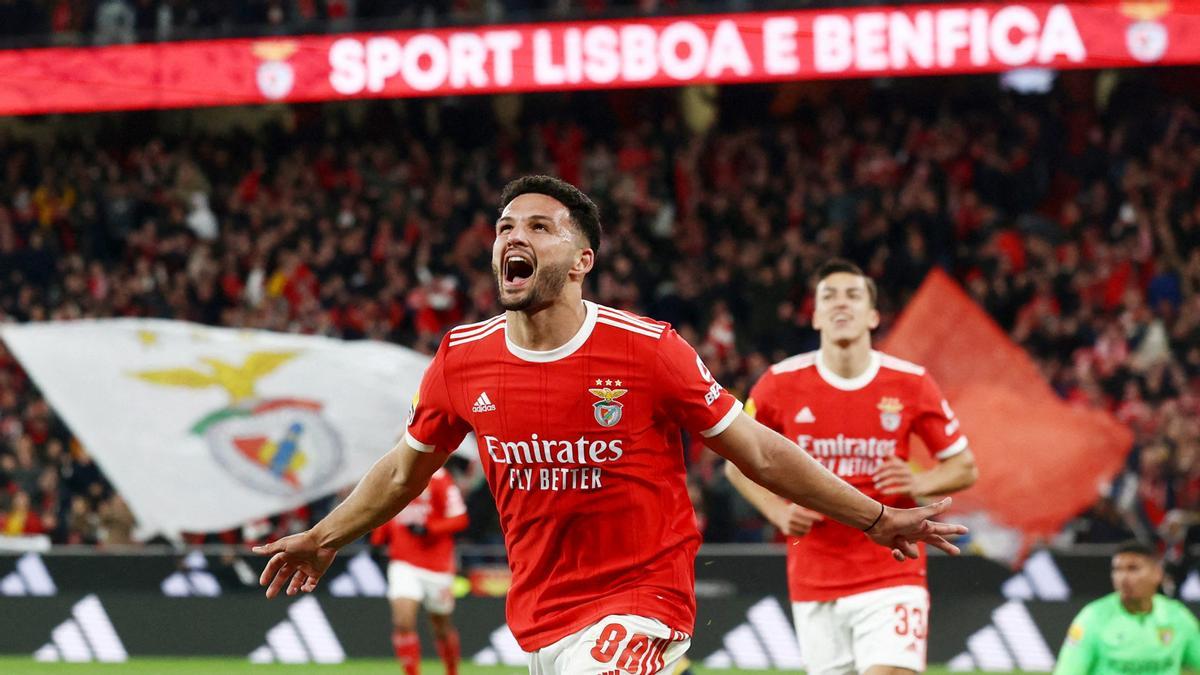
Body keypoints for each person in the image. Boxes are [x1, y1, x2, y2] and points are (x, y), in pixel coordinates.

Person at [253, 175, 968, 674]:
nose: (514, 235)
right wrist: (323, 536)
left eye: (539, 225)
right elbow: (404, 470)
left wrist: (876, 517)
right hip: (540, 614)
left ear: (582, 259)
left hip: (643, 595)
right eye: (505, 226)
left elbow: (756, 449)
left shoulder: (648, 348)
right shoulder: (460, 360)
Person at [725, 258, 978, 675]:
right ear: (817, 315)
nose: (841, 304)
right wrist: (777, 511)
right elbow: (737, 462)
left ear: (873, 315)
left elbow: (964, 468)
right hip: (814, 574)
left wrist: (919, 479)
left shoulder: (911, 382)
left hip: (893, 567)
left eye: (853, 295)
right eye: (829, 297)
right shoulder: (779, 382)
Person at [370, 467, 468, 675]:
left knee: (441, 626)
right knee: (403, 622)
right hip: (403, 561)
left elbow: (460, 519)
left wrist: (430, 528)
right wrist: (378, 539)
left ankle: (452, 671)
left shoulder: (441, 479)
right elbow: (387, 509)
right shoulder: (393, 474)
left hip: (437, 565)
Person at [1054, 541, 1200, 675]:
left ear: (1157, 574)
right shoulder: (1092, 617)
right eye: (1117, 569)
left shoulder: (1177, 617)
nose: (1123, 577)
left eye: (1133, 568)